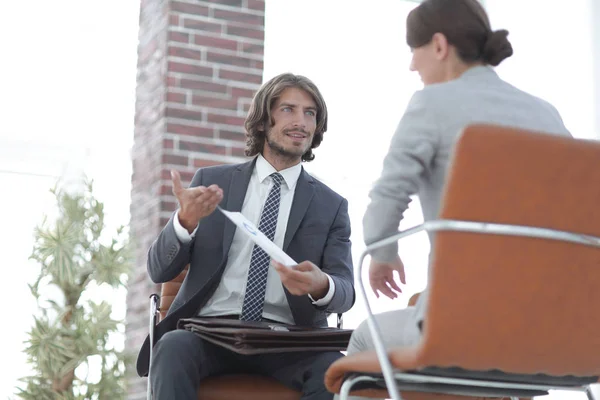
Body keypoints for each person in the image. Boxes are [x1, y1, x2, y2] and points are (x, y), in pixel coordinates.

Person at [343, 0, 571, 398]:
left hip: (464, 329)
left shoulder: (432, 105)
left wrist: (382, 255)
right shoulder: (547, 114)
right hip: (553, 335)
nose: (412, 66)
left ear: (439, 45)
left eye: (413, 50)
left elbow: (384, 206)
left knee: (365, 336)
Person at [135, 72, 355, 399]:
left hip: (288, 341)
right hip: (211, 334)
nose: (301, 122)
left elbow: (345, 290)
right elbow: (158, 271)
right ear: (264, 122)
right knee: (172, 348)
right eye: (288, 110)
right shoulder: (212, 182)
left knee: (333, 371)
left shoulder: (331, 205)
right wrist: (185, 222)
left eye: (310, 113)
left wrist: (321, 285)